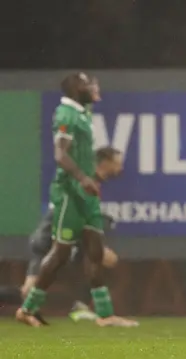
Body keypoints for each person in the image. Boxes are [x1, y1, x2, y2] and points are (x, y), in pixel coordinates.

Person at [15, 72, 137, 327]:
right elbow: (60, 154)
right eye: (87, 84)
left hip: (86, 193)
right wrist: (83, 178)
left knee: (94, 251)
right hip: (71, 192)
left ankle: (105, 315)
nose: (94, 86)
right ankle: (27, 310)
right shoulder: (66, 115)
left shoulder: (83, 113)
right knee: (60, 253)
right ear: (74, 90)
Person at [0, 147, 124, 324]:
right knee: (29, 292)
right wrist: (96, 245)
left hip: (60, 236)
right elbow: (71, 212)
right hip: (49, 238)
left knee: (27, 292)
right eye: (117, 163)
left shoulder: (90, 181)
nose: (121, 168)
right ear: (106, 162)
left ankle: (81, 306)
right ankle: (85, 308)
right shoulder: (84, 179)